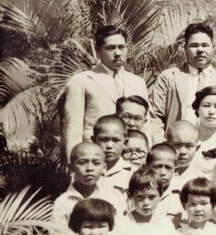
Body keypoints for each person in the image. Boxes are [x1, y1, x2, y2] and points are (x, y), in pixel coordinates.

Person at [63, 25, 152, 157]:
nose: (117, 53)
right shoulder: (82, 80)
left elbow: (146, 125)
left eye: (122, 47)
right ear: (98, 50)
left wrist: (147, 159)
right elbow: (73, 129)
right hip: (95, 157)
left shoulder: (138, 82)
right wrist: (73, 164)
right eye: (110, 48)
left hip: (132, 157)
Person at [150, 22, 216, 131]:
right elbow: (154, 117)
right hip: (179, 144)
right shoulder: (168, 77)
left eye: (205, 45)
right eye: (194, 45)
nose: (200, 50)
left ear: (213, 48)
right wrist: (163, 144)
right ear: (185, 48)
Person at [52, 142, 121, 235]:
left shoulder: (110, 198)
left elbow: (117, 233)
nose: (89, 168)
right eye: (82, 162)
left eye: (96, 163)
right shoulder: (62, 202)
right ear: (71, 167)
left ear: (104, 168)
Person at [93, 114, 132, 208]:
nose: (109, 145)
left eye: (116, 140)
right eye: (104, 139)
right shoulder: (85, 170)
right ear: (94, 140)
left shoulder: (132, 173)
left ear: (125, 143)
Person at [145, 142, 182, 227]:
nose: (162, 172)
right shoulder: (138, 192)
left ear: (175, 170)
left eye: (168, 167)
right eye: (158, 166)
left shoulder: (180, 193)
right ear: (147, 167)